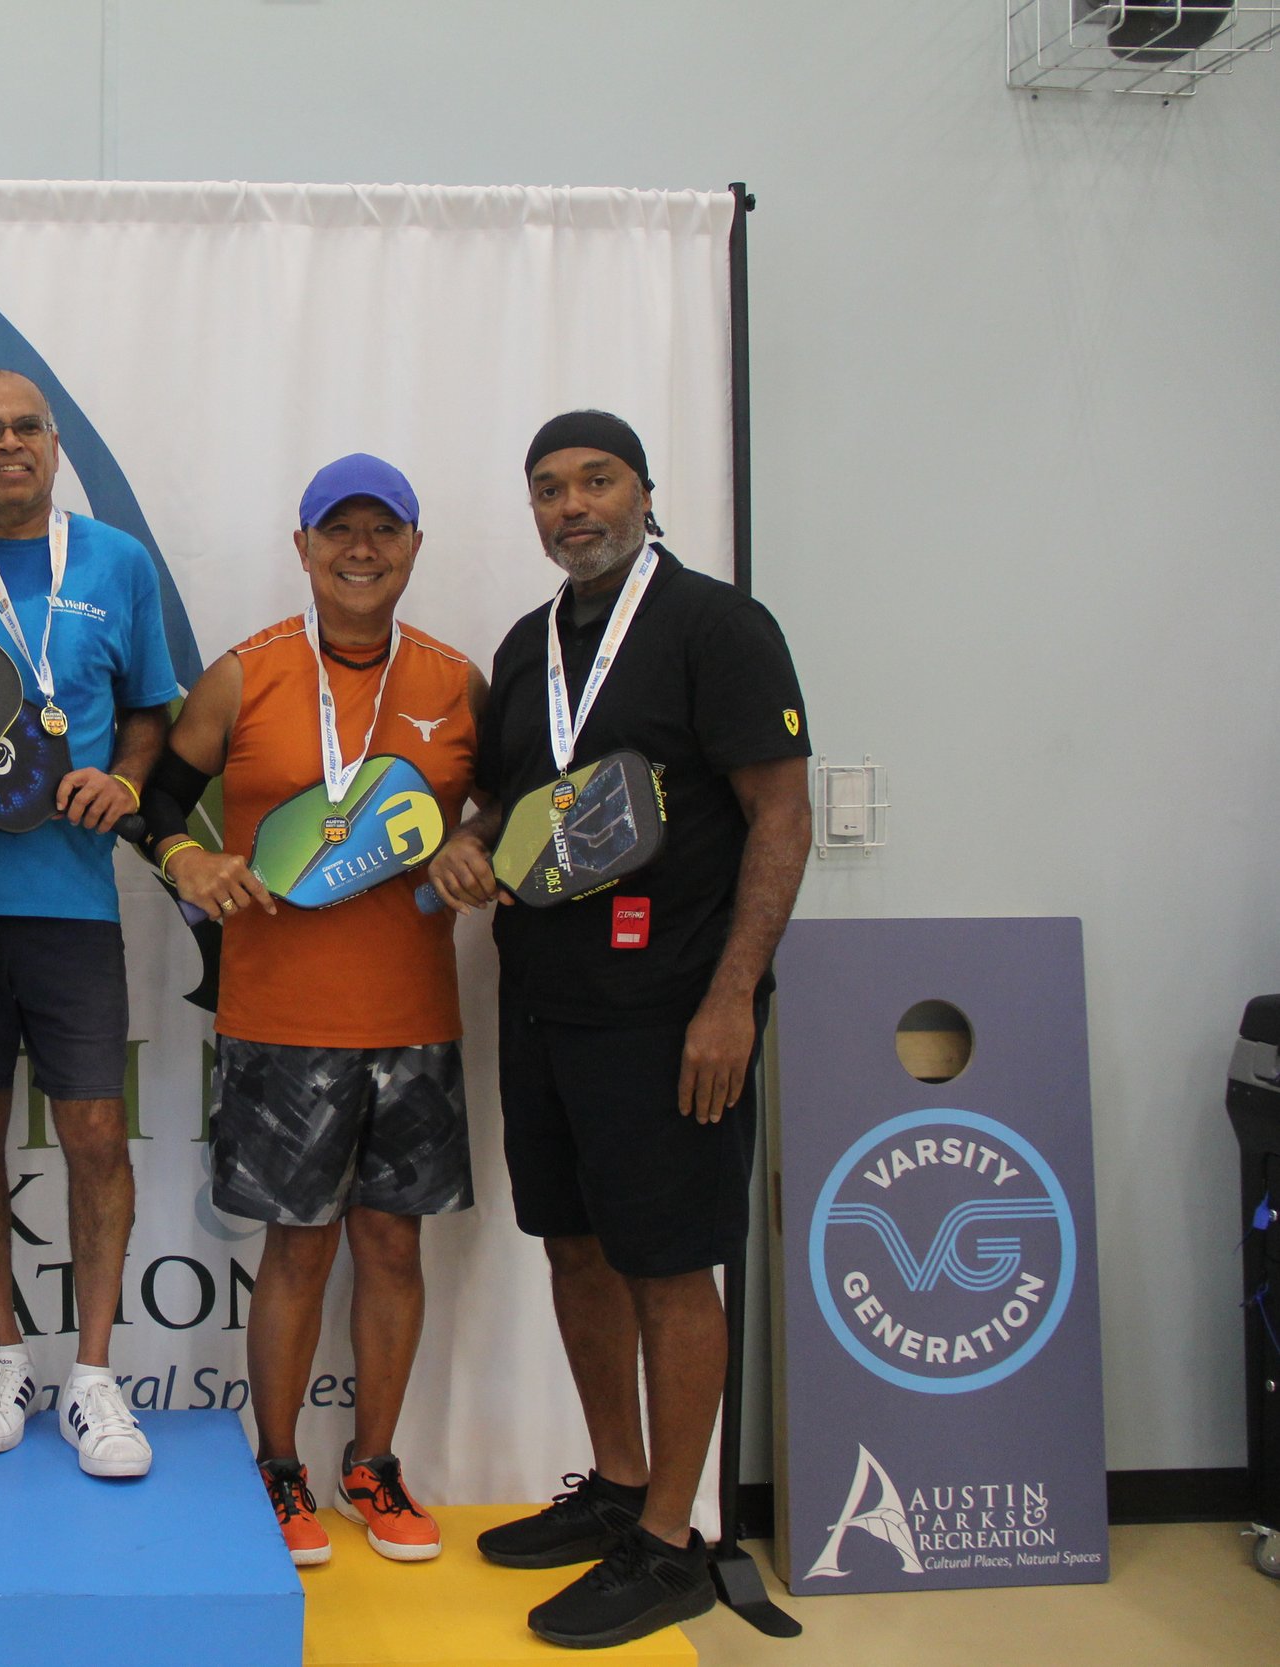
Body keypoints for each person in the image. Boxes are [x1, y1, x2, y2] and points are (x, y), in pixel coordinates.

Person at [433, 410, 810, 1649]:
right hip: (544, 1002)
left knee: (666, 1263)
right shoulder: (527, 640)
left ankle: (670, 1538)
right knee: (575, 1247)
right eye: (547, 488)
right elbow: (507, 804)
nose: (571, 505)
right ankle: (612, 1484)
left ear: (645, 491)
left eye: (595, 480)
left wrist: (729, 999)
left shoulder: (719, 627)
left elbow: (778, 815)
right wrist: (471, 841)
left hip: (670, 1015)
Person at [139, 454, 483, 1566]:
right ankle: (277, 1466)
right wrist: (187, 856)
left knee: (393, 1245)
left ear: (415, 549)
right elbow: (151, 798)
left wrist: (479, 844)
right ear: (302, 547)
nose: (362, 547)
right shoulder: (246, 673)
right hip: (281, 1015)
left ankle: (374, 1467)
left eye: (385, 529)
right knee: (298, 1249)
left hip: (415, 1014)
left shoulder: (455, 681)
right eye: (339, 528)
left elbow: (505, 814)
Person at [0, 371, 179, 1477]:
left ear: (56, 445)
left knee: (92, 1137)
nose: (8, 443)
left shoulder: (116, 561)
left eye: (27, 427)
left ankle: (95, 1376)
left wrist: (125, 778)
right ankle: (2, 1352)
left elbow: (154, 709)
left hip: (71, 904)